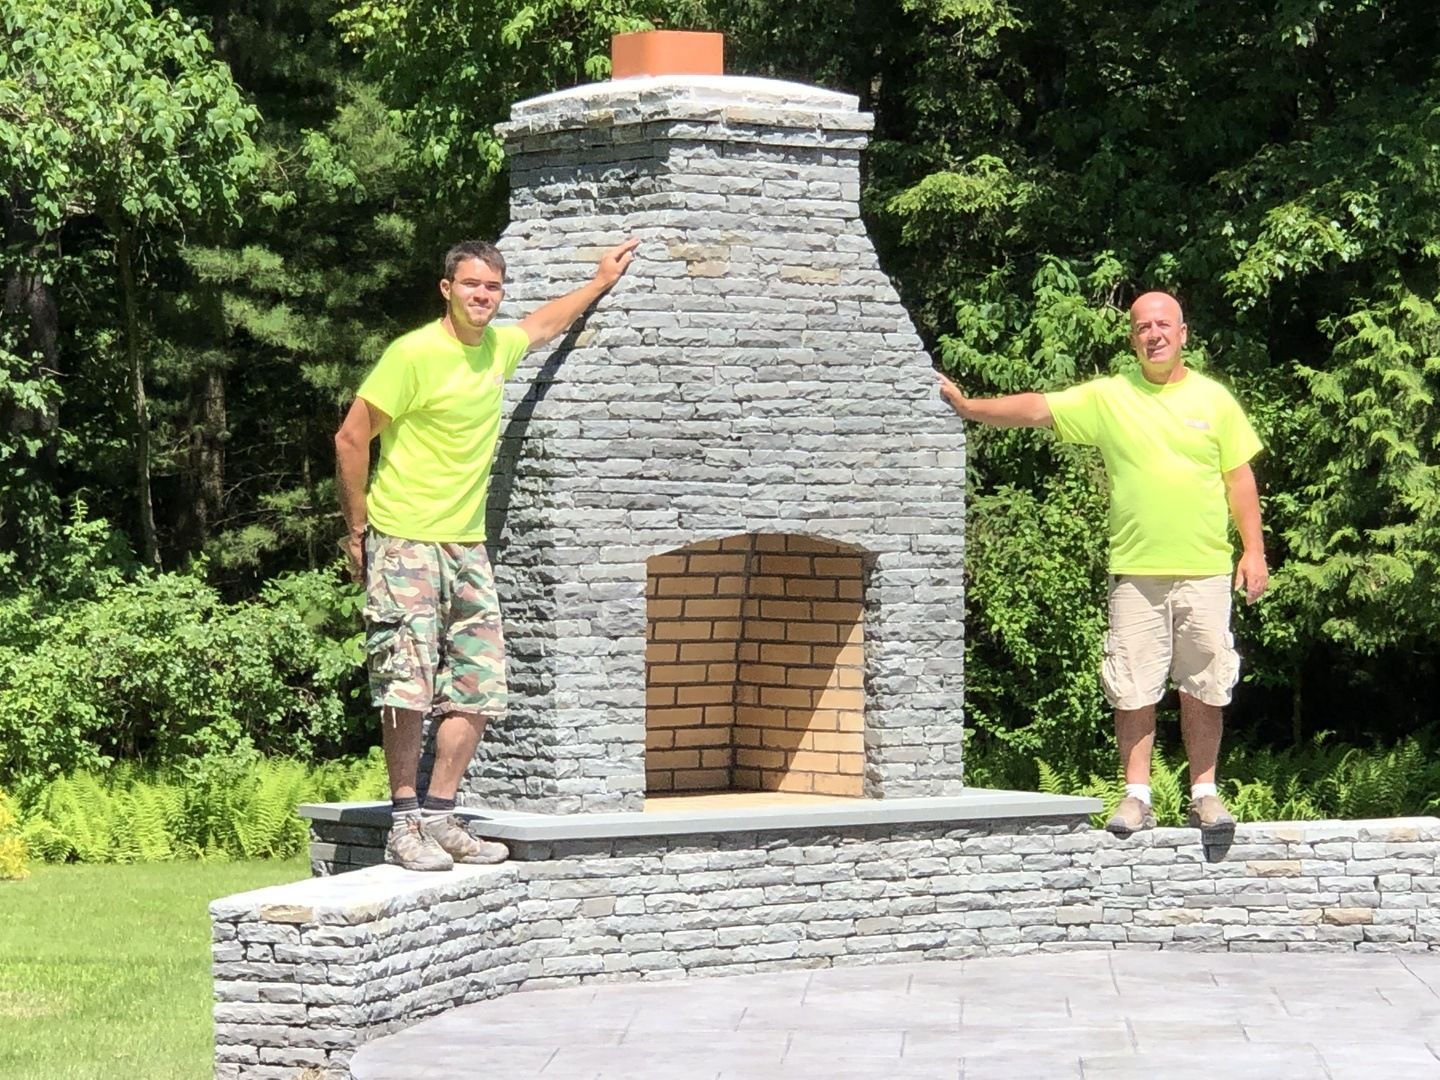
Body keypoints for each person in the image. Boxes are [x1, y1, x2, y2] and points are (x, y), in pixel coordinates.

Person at [335, 237, 639, 871]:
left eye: (493, 288)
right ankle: (404, 823)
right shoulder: (413, 354)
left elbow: (541, 324)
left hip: (466, 545)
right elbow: (351, 435)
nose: (483, 296)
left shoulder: (497, 348)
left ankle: (442, 816)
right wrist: (358, 529)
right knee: (406, 686)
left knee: (478, 683)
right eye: (472, 285)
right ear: (446, 288)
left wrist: (599, 281)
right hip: (405, 540)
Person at [937, 291, 1267, 838]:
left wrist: (1254, 551)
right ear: (1133, 337)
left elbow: (1240, 478)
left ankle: (1204, 794)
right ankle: (1137, 796)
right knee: (1133, 684)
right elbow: (1040, 408)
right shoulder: (1111, 396)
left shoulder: (1215, 401)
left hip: (1206, 569)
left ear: (1183, 334)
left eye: (1164, 325)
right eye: (1143, 326)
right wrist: (972, 409)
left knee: (1206, 683)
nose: (1154, 334)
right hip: (1136, 572)